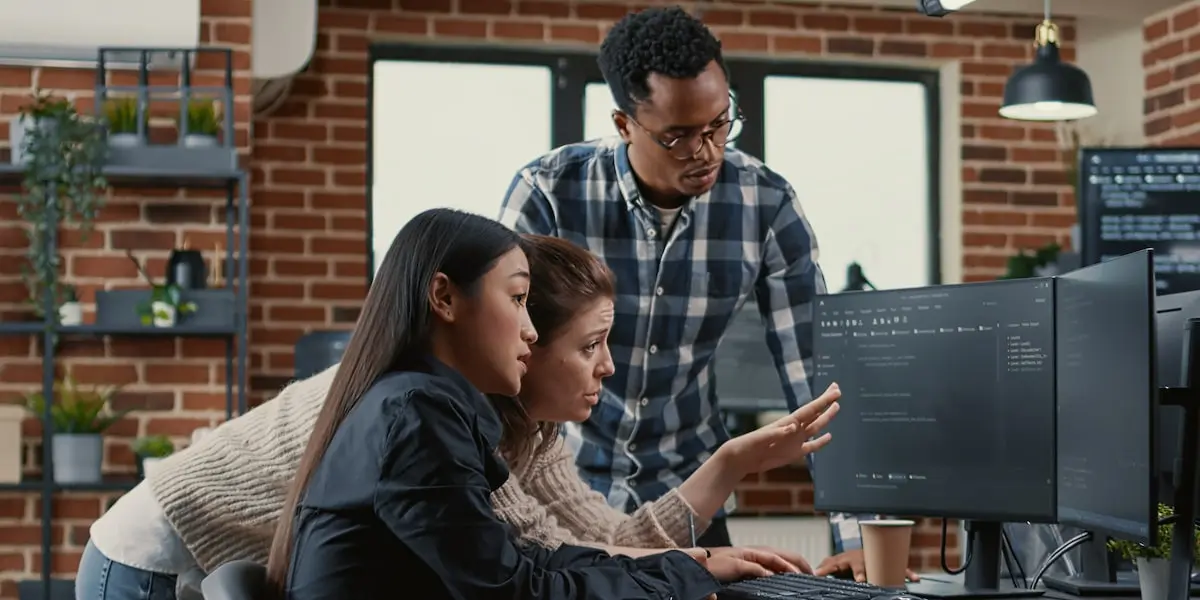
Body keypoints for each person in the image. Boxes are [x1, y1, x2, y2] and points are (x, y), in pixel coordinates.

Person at [73, 222, 832, 600]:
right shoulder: (421, 413)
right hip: (151, 548)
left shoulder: (501, 425)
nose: (608, 367)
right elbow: (524, 575)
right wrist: (689, 571)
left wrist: (723, 477)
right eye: (590, 344)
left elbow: (589, 545)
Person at [498, 5, 913, 582]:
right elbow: (505, 363)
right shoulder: (548, 192)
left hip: (692, 490)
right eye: (679, 136)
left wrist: (856, 534)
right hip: (565, 489)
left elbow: (815, 373)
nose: (708, 150)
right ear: (624, 125)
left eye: (721, 123)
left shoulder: (765, 205)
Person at [265, 207, 729, 599]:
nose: (530, 329)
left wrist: (673, 567)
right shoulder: (418, 416)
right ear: (444, 298)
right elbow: (513, 590)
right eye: (518, 298)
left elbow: (528, 558)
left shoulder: (419, 403)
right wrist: (677, 580)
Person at [495, 233, 840, 570]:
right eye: (589, 346)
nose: (608, 366)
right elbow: (541, 552)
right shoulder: (478, 437)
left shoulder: (536, 436)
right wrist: (696, 564)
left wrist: (731, 463)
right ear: (527, 343)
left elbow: (615, 537)